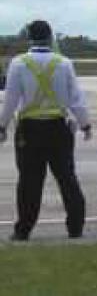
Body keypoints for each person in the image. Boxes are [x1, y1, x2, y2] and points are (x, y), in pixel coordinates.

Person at [0, 20, 90, 241]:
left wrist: (1, 126)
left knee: (29, 182)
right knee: (67, 179)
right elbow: (76, 99)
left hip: (29, 130)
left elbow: (10, 100)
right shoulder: (64, 63)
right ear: (50, 38)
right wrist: (85, 124)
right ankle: (75, 228)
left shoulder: (19, 64)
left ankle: (23, 230)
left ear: (28, 37)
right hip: (58, 128)